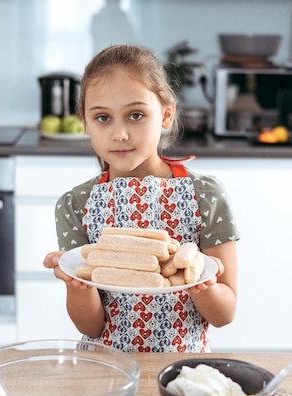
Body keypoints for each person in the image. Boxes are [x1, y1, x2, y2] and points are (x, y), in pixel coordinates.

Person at [43, 44, 238, 353]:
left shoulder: (206, 195)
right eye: (103, 118)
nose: (119, 133)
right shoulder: (76, 204)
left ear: (166, 114)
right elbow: (90, 326)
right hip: (105, 370)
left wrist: (203, 286)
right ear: (85, 122)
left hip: (179, 370)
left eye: (135, 115)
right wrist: (75, 284)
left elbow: (225, 314)